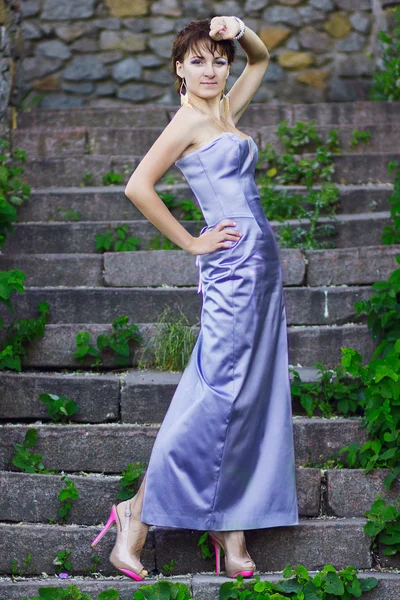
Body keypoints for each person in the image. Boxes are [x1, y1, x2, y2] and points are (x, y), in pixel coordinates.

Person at [90, 15, 299, 582]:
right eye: (199, 60)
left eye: (218, 59)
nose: (212, 69)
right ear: (179, 69)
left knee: (252, 394)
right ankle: (136, 515)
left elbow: (262, 59)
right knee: (214, 395)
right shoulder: (186, 120)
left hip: (264, 268)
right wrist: (193, 243)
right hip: (230, 268)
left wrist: (242, 28)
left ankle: (231, 532)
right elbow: (138, 185)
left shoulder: (226, 110)